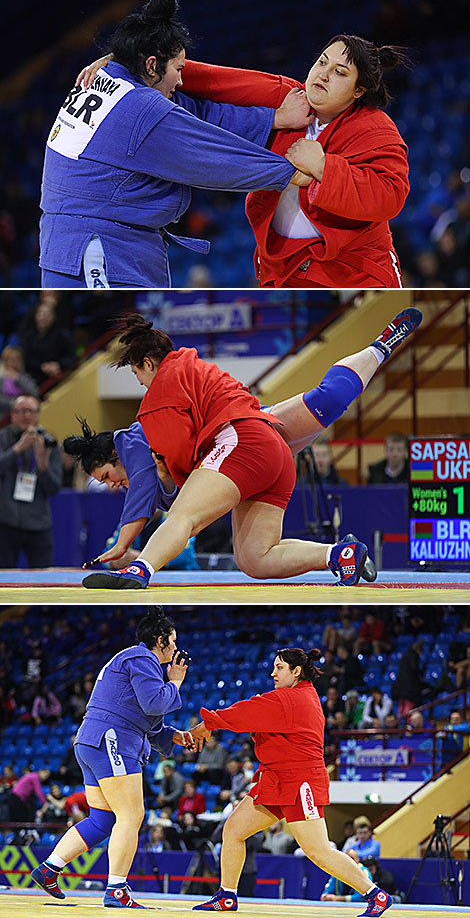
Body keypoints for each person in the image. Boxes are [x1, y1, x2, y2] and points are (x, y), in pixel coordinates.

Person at [76, 308, 421, 590]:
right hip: (259, 436)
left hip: (242, 438)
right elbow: (174, 476)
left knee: (184, 515)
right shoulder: (186, 371)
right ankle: (339, 554)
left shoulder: (137, 430)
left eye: (107, 476)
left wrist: (122, 545)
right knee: (255, 558)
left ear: (148, 363)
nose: (111, 485)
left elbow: (152, 491)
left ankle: (139, 571)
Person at [40, 0, 314, 288]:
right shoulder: (139, 108)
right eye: (179, 69)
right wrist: (288, 171)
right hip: (100, 250)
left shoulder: (109, 79)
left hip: (77, 244)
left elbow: (195, 116)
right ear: (151, 65)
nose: (183, 80)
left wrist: (275, 118)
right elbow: (213, 158)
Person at [175, 36, 410, 287]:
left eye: (339, 72)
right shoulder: (288, 96)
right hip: (283, 270)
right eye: (322, 63)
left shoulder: (375, 126)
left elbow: (391, 195)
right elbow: (219, 82)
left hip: (353, 272)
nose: (323, 75)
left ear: (358, 90)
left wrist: (323, 167)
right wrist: (162, 68)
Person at [188, 647, 392, 916]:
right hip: (276, 779)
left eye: (279, 667)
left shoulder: (293, 699)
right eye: (273, 667)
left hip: (300, 781)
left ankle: (375, 895)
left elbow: (246, 712)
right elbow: (259, 715)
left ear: (296, 672)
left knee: (318, 850)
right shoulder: (292, 697)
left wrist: (209, 723)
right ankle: (227, 895)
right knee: (234, 831)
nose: (273, 673)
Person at [31, 605, 194, 909]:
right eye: (172, 641)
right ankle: (117, 890)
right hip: (112, 741)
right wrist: (176, 681)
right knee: (132, 816)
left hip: (93, 742)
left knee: (103, 819)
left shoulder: (135, 660)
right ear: (160, 640)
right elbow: (155, 702)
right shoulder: (143, 658)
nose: (175, 648)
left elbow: (149, 721)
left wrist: (176, 736)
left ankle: (49, 867)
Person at [0, 394, 62, 568]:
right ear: (12, 414)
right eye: (21, 411)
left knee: (44, 578)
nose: (27, 416)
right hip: (6, 521)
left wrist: (42, 464)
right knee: (4, 579)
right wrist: (18, 449)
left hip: (39, 524)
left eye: (31, 411)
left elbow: (54, 487)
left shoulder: (49, 443)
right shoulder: (3, 438)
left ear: (38, 414)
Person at [19, 303, 75, 387]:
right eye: (40, 313)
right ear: (36, 316)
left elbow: (71, 357)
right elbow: (25, 358)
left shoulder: (62, 335)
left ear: (53, 317)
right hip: (33, 378)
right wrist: (42, 366)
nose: (43, 317)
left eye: (47, 314)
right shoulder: (28, 337)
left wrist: (58, 365)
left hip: (58, 378)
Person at [0, 346, 38, 420]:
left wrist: (18, 379)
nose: (15, 362)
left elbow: (34, 393)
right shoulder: (1, 378)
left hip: (27, 416)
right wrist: (16, 403)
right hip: (5, 417)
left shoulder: (24, 377)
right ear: (5, 361)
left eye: (17, 359)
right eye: (11, 360)